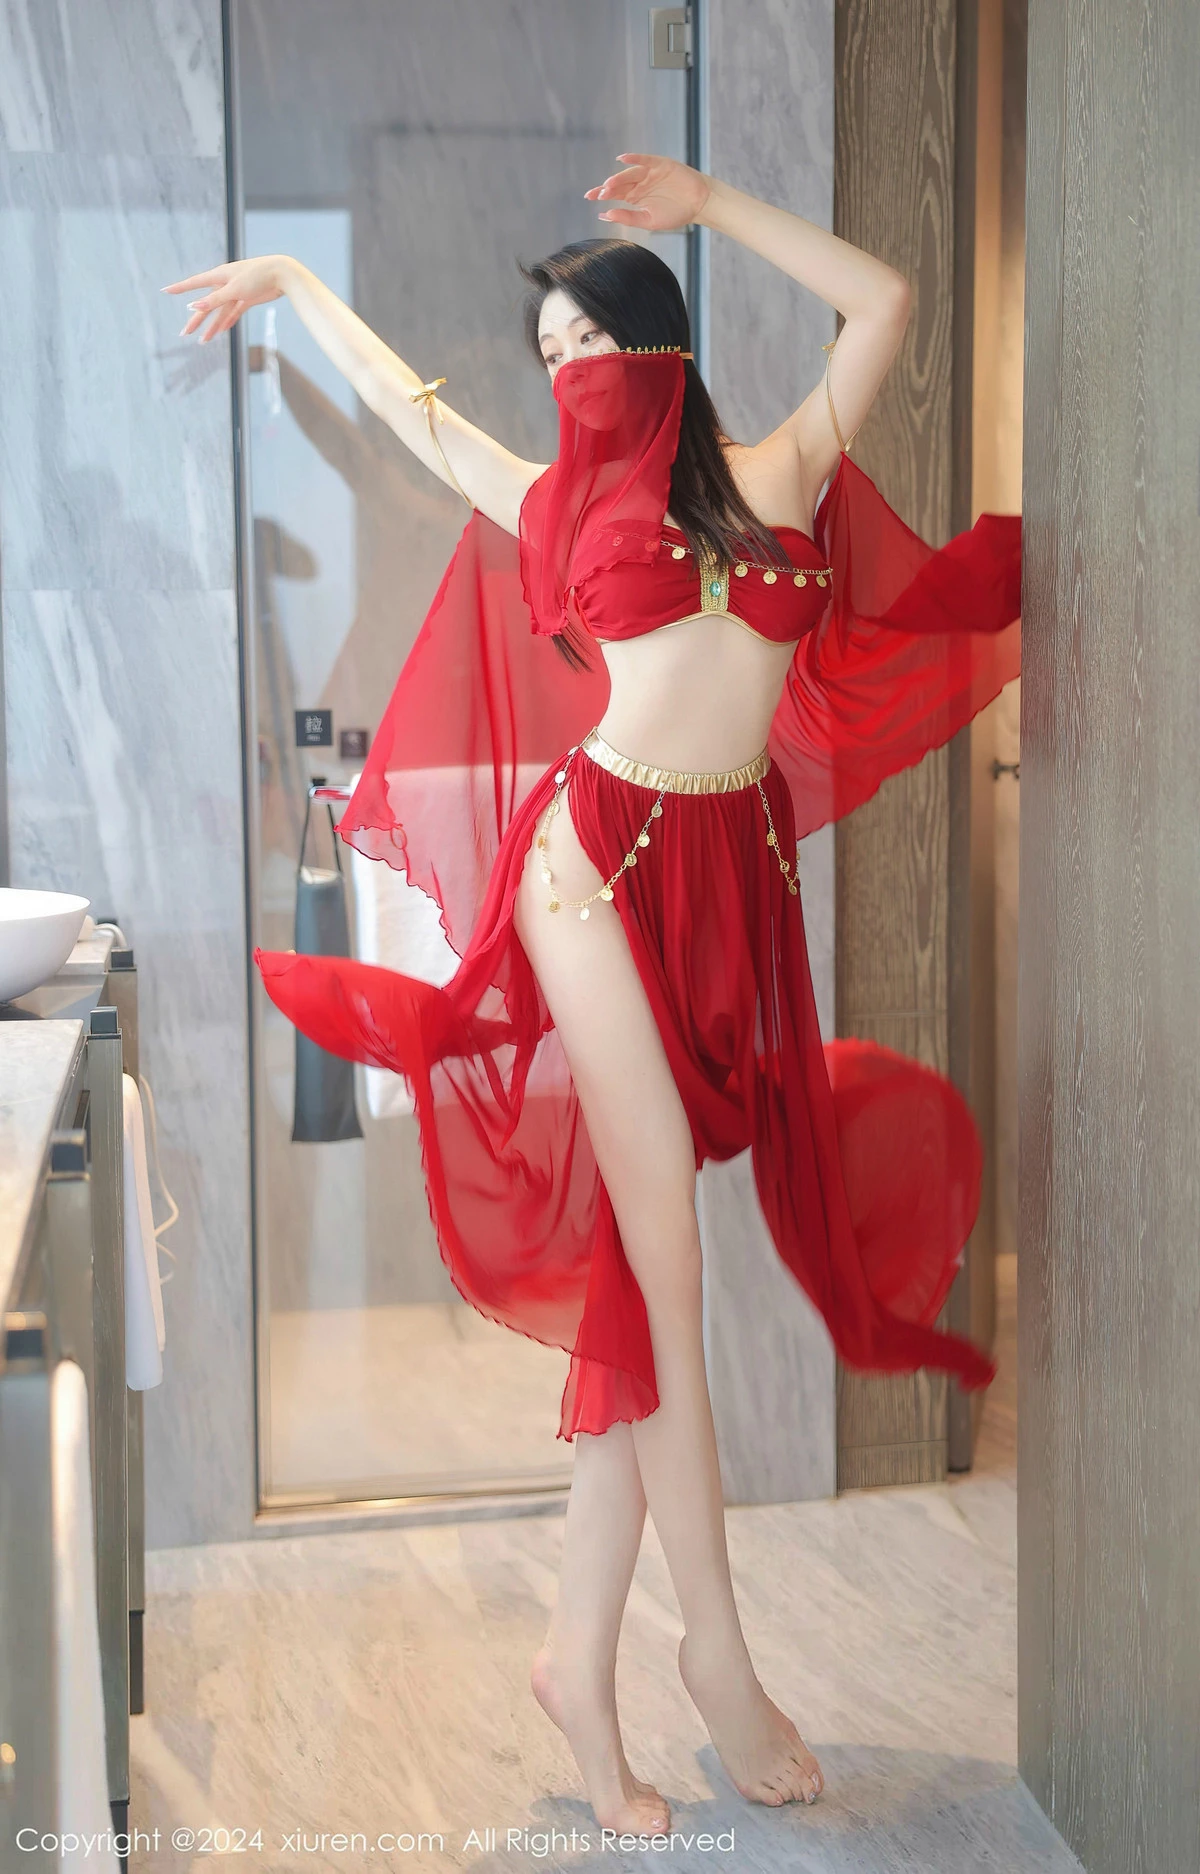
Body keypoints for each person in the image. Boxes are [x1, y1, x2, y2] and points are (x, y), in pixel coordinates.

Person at [165, 152, 1020, 1837]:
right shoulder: (558, 506)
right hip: (593, 867)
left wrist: (714, 207)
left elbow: (887, 301)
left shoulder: (780, 468)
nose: (565, 372)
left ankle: (574, 1654)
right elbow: (413, 415)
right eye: (545, 353)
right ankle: (717, 1657)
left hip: (730, 884)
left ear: (661, 342)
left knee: (642, 1279)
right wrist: (297, 285)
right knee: (670, 1269)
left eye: (587, 341)